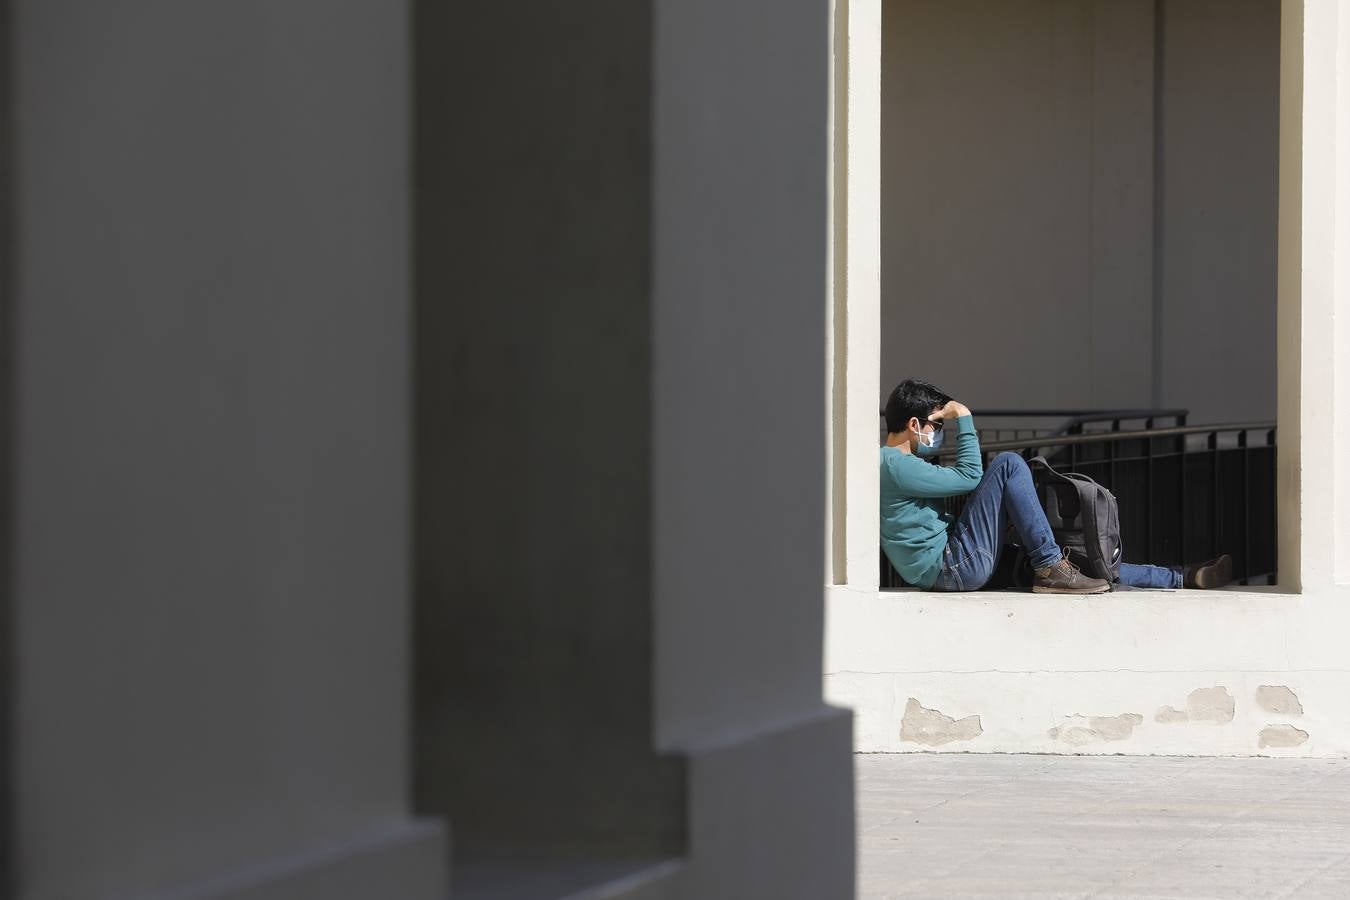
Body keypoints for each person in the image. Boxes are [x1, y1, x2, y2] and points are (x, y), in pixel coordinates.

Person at [880, 378, 1233, 594]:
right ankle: (1051, 567)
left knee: (1076, 561)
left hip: (951, 565)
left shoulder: (896, 465)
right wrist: (965, 417)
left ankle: (1182, 577)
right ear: (915, 423)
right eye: (937, 425)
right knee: (1008, 463)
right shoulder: (895, 465)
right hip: (953, 566)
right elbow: (971, 476)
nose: (938, 433)